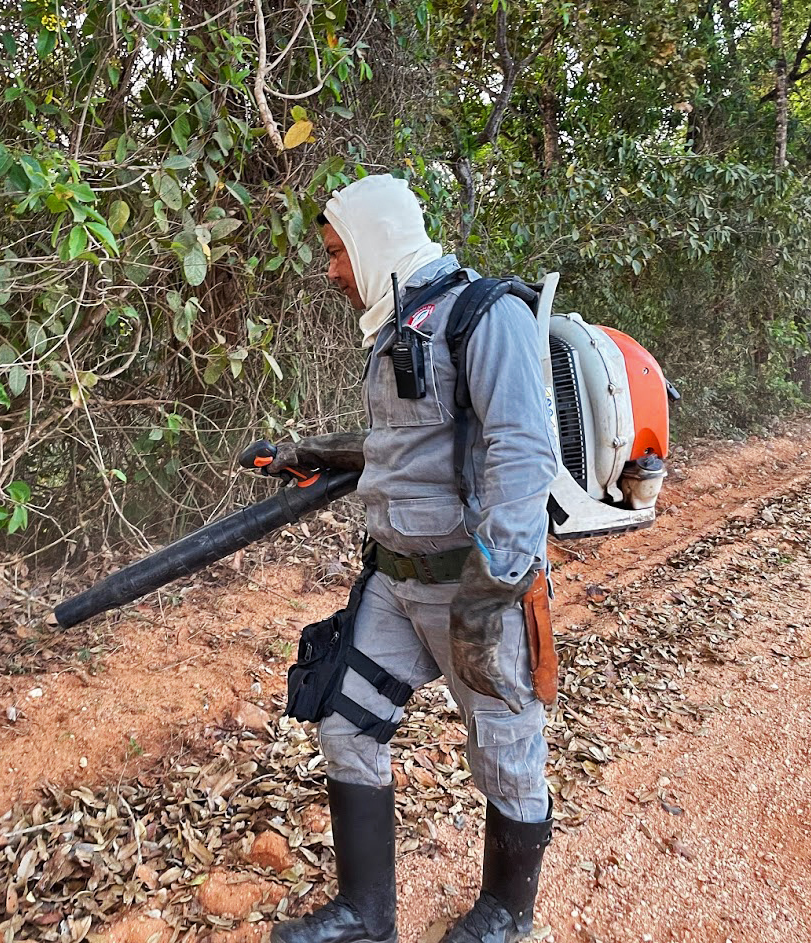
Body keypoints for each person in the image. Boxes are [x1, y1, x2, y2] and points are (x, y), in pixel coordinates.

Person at [265, 174, 559, 943]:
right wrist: (307, 452)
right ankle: (366, 914)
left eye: (336, 252)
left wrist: (490, 590)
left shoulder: (483, 314)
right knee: (345, 722)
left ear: (374, 239)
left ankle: (505, 913)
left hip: (471, 584)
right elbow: (399, 446)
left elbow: (523, 452)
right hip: (395, 582)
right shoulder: (395, 327)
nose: (330, 269)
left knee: (505, 749)